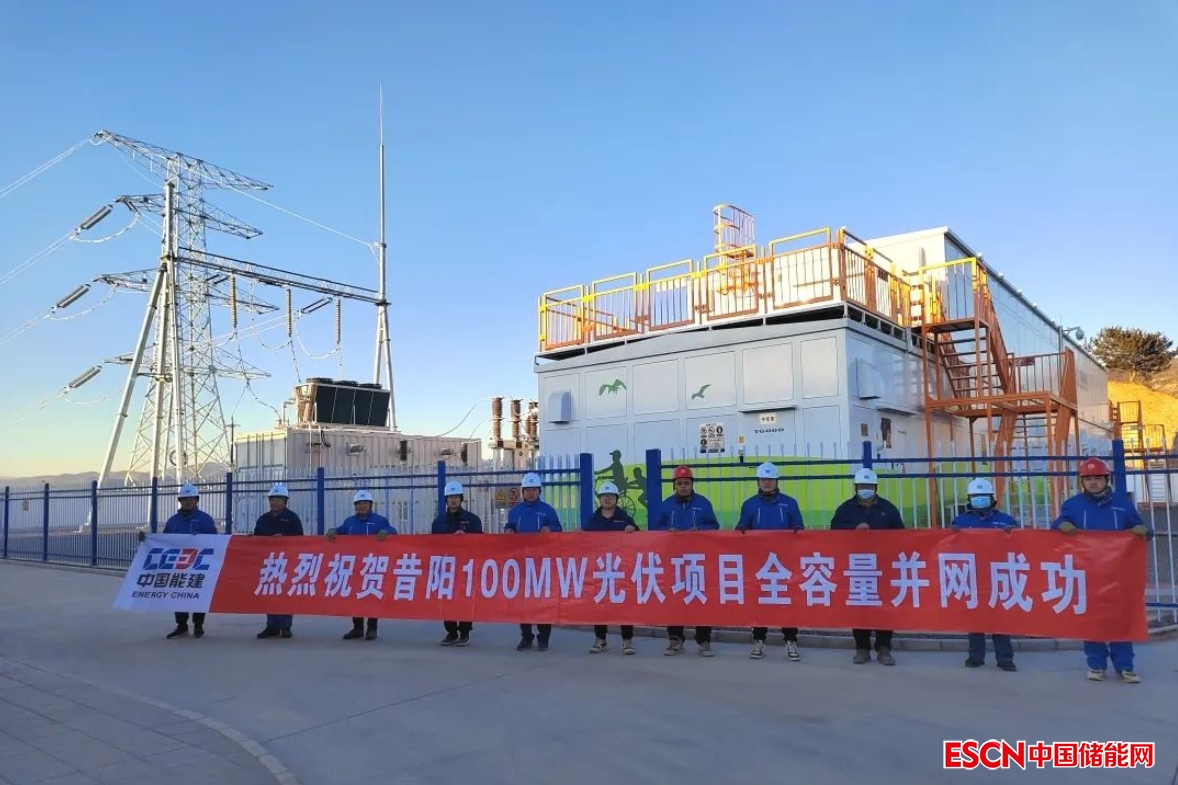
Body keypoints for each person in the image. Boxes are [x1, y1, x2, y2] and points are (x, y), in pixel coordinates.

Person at [1051, 457, 1152, 683]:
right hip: (1087, 573)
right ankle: (1096, 665)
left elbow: (1145, 530)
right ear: (1082, 482)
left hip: (1118, 574)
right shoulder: (1073, 505)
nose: (1093, 483)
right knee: (1092, 621)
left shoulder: (1122, 505)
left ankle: (1125, 667)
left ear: (1107, 479)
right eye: (1088, 479)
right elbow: (1055, 528)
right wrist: (1060, 526)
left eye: (1098, 478)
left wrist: (1143, 530)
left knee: (1120, 620)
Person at [830, 467, 904, 666]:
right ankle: (862, 648)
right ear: (856, 487)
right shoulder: (845, 509)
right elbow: (834, 530)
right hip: (858, 567)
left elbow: (901, 535)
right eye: (862, 485)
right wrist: (853, 529)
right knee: (859, 608)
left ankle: (884, 648)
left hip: (883, 567)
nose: (865, 489)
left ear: (875, 487)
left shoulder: (888, 509)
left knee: (884, 608)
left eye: (869, 485)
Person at [736, 462, 804, 662]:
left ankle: (790, 640)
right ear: (758, 481)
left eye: (770, 479)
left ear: (776, 481)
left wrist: (796, 532)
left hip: (784, 562)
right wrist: (740, 529)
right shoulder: (750, 504)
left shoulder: (789, 503)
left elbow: (799, 526)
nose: (767, 483)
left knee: (787, 601)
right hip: (759, 562)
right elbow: (743, 524)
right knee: (759, 601)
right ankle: (759, 640)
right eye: (763, 479)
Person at [949, 478, 1019, 672]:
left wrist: (1014, 533)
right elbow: (950, 547)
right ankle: (975, 656)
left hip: (999, 575)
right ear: (969, 498)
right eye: (976, 496)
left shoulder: (1005, 520)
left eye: (983, 496)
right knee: (975, 618)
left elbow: (1020, 545)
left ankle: (1005, 658)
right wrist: (951, 534)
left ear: (991, 498)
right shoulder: (960, 521)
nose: (979, 498)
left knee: (1000, 620)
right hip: (972, 575)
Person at [651, 465, 720, 657]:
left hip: (698, 560)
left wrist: (700, 531)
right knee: (674, 599)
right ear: (674, 485)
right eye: (679, 483)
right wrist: (667, 531)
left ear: (692, 484)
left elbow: (714, 526)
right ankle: (675, 639)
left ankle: (703, 640)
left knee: (700, 599)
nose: (683, 486)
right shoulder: (666, 505)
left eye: (686, 483)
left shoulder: (703, 503)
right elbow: (655, 528)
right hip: (673, 561)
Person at [138, 484, 219, 640]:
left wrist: (201, 538)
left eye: (191, 499)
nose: (188, 502)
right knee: (179, 595)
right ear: (180, 501)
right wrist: (147, 539)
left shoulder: (205, 519)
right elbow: (163, 541)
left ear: (196, 500)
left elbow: (214, 540)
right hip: (179, 565)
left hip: (199, 564)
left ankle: (198, 625)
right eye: (185, 499)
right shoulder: (173, 521)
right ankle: (181, 626)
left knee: (198, 594)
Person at [505, 472, 563, 651]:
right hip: (522, 563)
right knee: (523, 602)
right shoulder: (516, 511)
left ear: (539, 491)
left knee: (542, 601)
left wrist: (550, 529)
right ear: (523, 491)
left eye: (534, 489)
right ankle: (526, 637)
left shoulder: (547, 510)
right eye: (527, 489)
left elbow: (558, 529)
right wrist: (508, 530)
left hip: (542, 564)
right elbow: (510, 526)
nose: (531, 493)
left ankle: (543, 638)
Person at [326, 490, 395, 641]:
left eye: (365, 503)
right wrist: (333, 531)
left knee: (371, 596)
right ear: (355, 506)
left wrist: (386, 531)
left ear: (371, 505)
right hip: (355, 566)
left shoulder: (380, 521)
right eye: (359, 503)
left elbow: (393, 531)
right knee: (355, 596)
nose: (362, 506)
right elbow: (340, 531)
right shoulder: (349, 522)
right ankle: (357, 628)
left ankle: (372, 628)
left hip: (372, 565)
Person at [583, 481, 639, 655]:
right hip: (600, 569)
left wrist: (633, 529)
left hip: (621, 568)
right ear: (600, 499)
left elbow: (638, 538)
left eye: (610, 496)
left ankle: (627, 639)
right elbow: (583, 541)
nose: (607, 498)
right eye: (604, 496)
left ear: (616, 498)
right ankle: (600, 639)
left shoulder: (624, 518)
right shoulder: (593, 520)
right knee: (600, 604)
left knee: (624, 603)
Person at [431, 480, 483, 647]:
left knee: (465, 599)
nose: (453, 500)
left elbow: (482, 541)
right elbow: (433, 545)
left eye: (456, 497)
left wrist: (467, 538)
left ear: (461, 499)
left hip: (466, 566)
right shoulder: (438, 522)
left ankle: (465, 632)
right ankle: (451, 632)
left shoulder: (472, 520)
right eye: (450, 497)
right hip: (446, 567)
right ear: (446, 500)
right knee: (447, 599)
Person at [251, 483, 304, 640]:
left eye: (278, 499)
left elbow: (300, 540)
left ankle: (285, 626)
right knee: (270, 593)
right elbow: (256, 537)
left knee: (285, 593)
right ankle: (272, 626)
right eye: (272, 499)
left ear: (285, 501)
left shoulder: (292, 518)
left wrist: (284, 539)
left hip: (287, 561)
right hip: (268, 563)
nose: (274, 502)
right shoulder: (263, 519)